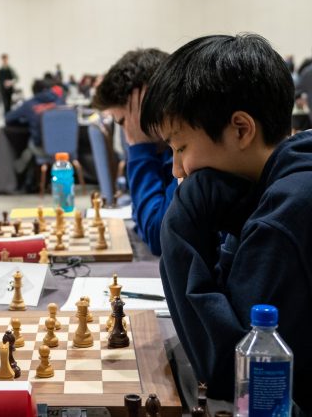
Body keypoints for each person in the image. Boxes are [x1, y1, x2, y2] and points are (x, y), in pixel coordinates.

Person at [140, 33, 310, 414]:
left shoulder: (284, 217)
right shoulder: (285, 177)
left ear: (240, 129)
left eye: (181, 147)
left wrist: (180, 223)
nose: (176, 169)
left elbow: (233, 369)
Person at [93, 48, 176, 256]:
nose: (127, 134)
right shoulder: (163, 150)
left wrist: (140, 147)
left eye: (124, 122)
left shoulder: (187, 155)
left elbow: (158, 236)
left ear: (148, 103)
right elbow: (140, 217)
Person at [5, 79, 62, 191]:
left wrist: (24, 120)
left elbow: (8, 118)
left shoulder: (29, 104)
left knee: (31, 145)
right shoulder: (61, 102)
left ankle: (29, 180)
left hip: (42, 148)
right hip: (65, 150)